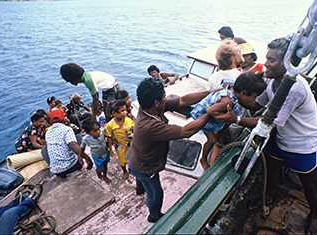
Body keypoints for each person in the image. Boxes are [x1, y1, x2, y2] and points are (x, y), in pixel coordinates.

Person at [214, 38, 317, 235]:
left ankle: (314, 215)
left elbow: (267, 121)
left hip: (303, 145)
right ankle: (269, 195)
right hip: (281, 140)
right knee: (271, 170)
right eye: (267, 58)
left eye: (271, 60)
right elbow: (258, 104)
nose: (267, 64)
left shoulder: (294, 89)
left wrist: (236, 120)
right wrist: (235, 99)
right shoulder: (270, 80)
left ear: (288, 62)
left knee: (310, 184)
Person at [128, 78, 217, 223]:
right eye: (164, 97)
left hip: (133, 155)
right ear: (157, 102)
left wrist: (211, 93)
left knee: (140, 179)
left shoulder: (147, 107)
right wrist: (209, 113)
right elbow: (186, 131)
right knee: (156, 194)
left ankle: (139, 189)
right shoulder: (149, 126)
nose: (166, 99)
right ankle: (154, 216)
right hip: (145, 167)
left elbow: (182, 101)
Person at [191, 72, 266, 171]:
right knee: (212, 140)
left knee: (223, 128)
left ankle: (218, 138)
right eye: (254, 97)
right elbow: (210, 110)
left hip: (215, 113)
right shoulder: (227, 101)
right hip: (203, 116)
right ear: (243, 93)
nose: (255, 100)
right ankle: (203, 159)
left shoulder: (233, 90)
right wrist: (220, 117)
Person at [45, 109, 93, 178]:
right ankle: (78, 165)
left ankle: (58, 169)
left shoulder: (48, 132)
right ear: (64, 118)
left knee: (44, 149)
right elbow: (72, 145)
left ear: (51, 121)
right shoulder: (67, 129)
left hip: (57, 172)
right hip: (72, 167)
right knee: (78, 137)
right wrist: (87, 158)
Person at [106, 100, 134, 180]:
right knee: (122, 160)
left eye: (125, 110)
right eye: (122, 111)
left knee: (132, 157)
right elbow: (109, 136)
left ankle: (131, 168)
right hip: (120, 146)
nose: (125, 112)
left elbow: (134, 129)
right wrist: (111, 149)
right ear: (114, 113)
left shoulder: (128, 120)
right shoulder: (110, 125)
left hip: (131, 143)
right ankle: (124, 170)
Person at [80, 118, 111, 184]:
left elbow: (109, 129)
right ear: (87, 133)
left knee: (105, 166)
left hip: (105, 153)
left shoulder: (102, 132)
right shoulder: (86, 139)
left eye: (98, 129)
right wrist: (80, 156)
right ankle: (98, 171)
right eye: (94, 131)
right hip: (97, 156)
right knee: (100, 169)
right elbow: (82, 147)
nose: (98, 132)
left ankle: (105, 176)